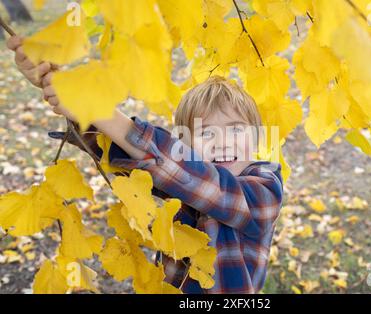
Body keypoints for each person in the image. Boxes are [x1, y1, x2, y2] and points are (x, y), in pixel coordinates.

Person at [6, 35, 284, 294]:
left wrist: (96, 105)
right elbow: (136, 157)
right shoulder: (181, 175)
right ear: (186, 145)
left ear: (258, 138)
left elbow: (194, 178)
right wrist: (67, 95)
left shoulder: (264, 192)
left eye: (236, 130)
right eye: (207, 133)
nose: (223, 142)